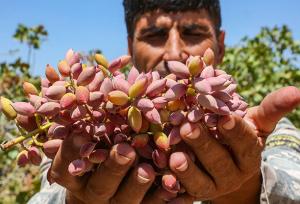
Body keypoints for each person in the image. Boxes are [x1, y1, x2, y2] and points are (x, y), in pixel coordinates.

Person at [28, 0, 300, 203]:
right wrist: (75, 200)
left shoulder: (260, 129)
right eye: (154, 36)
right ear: (129, 46)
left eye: (193, 33)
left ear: (221, 44)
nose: (173, 53)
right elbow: (48, 193)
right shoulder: (78, 130)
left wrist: (245, 190)